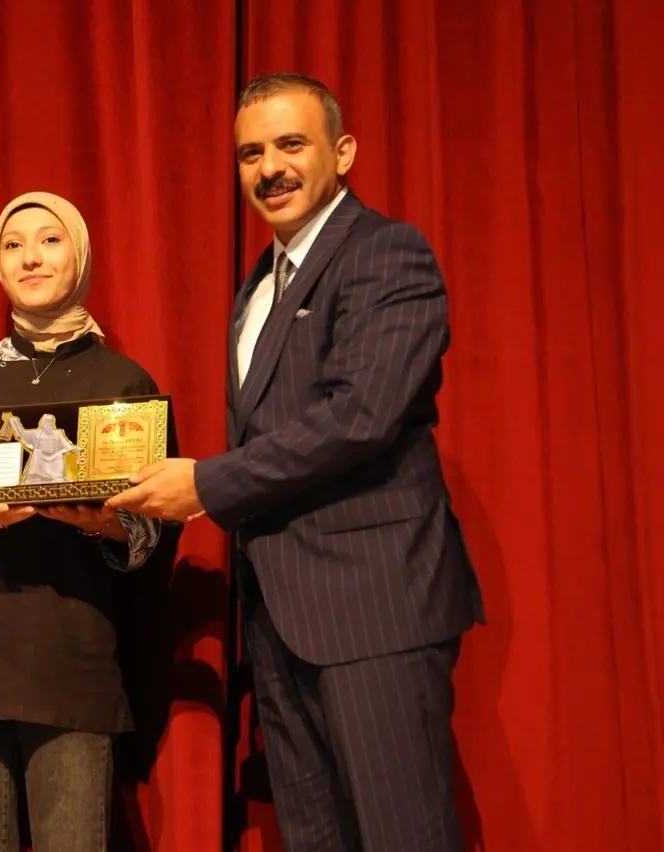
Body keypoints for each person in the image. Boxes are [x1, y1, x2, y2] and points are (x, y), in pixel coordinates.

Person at [108, 73, 484, 851]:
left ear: (342, 152)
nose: (269, 168)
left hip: (374, 610)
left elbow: (360, 416)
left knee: (402, 836)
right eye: (251, 153)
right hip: (280, 619)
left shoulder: (386, 253)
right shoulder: (259, 284)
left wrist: (205, 484)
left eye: (290, 144)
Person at [0, 191, 166, 852]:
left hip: (72, 658)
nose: (31, 258)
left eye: (49, 240)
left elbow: (152, 528)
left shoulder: (124, 382)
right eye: (13, 245)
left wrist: (98, 519)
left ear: (80, 255)